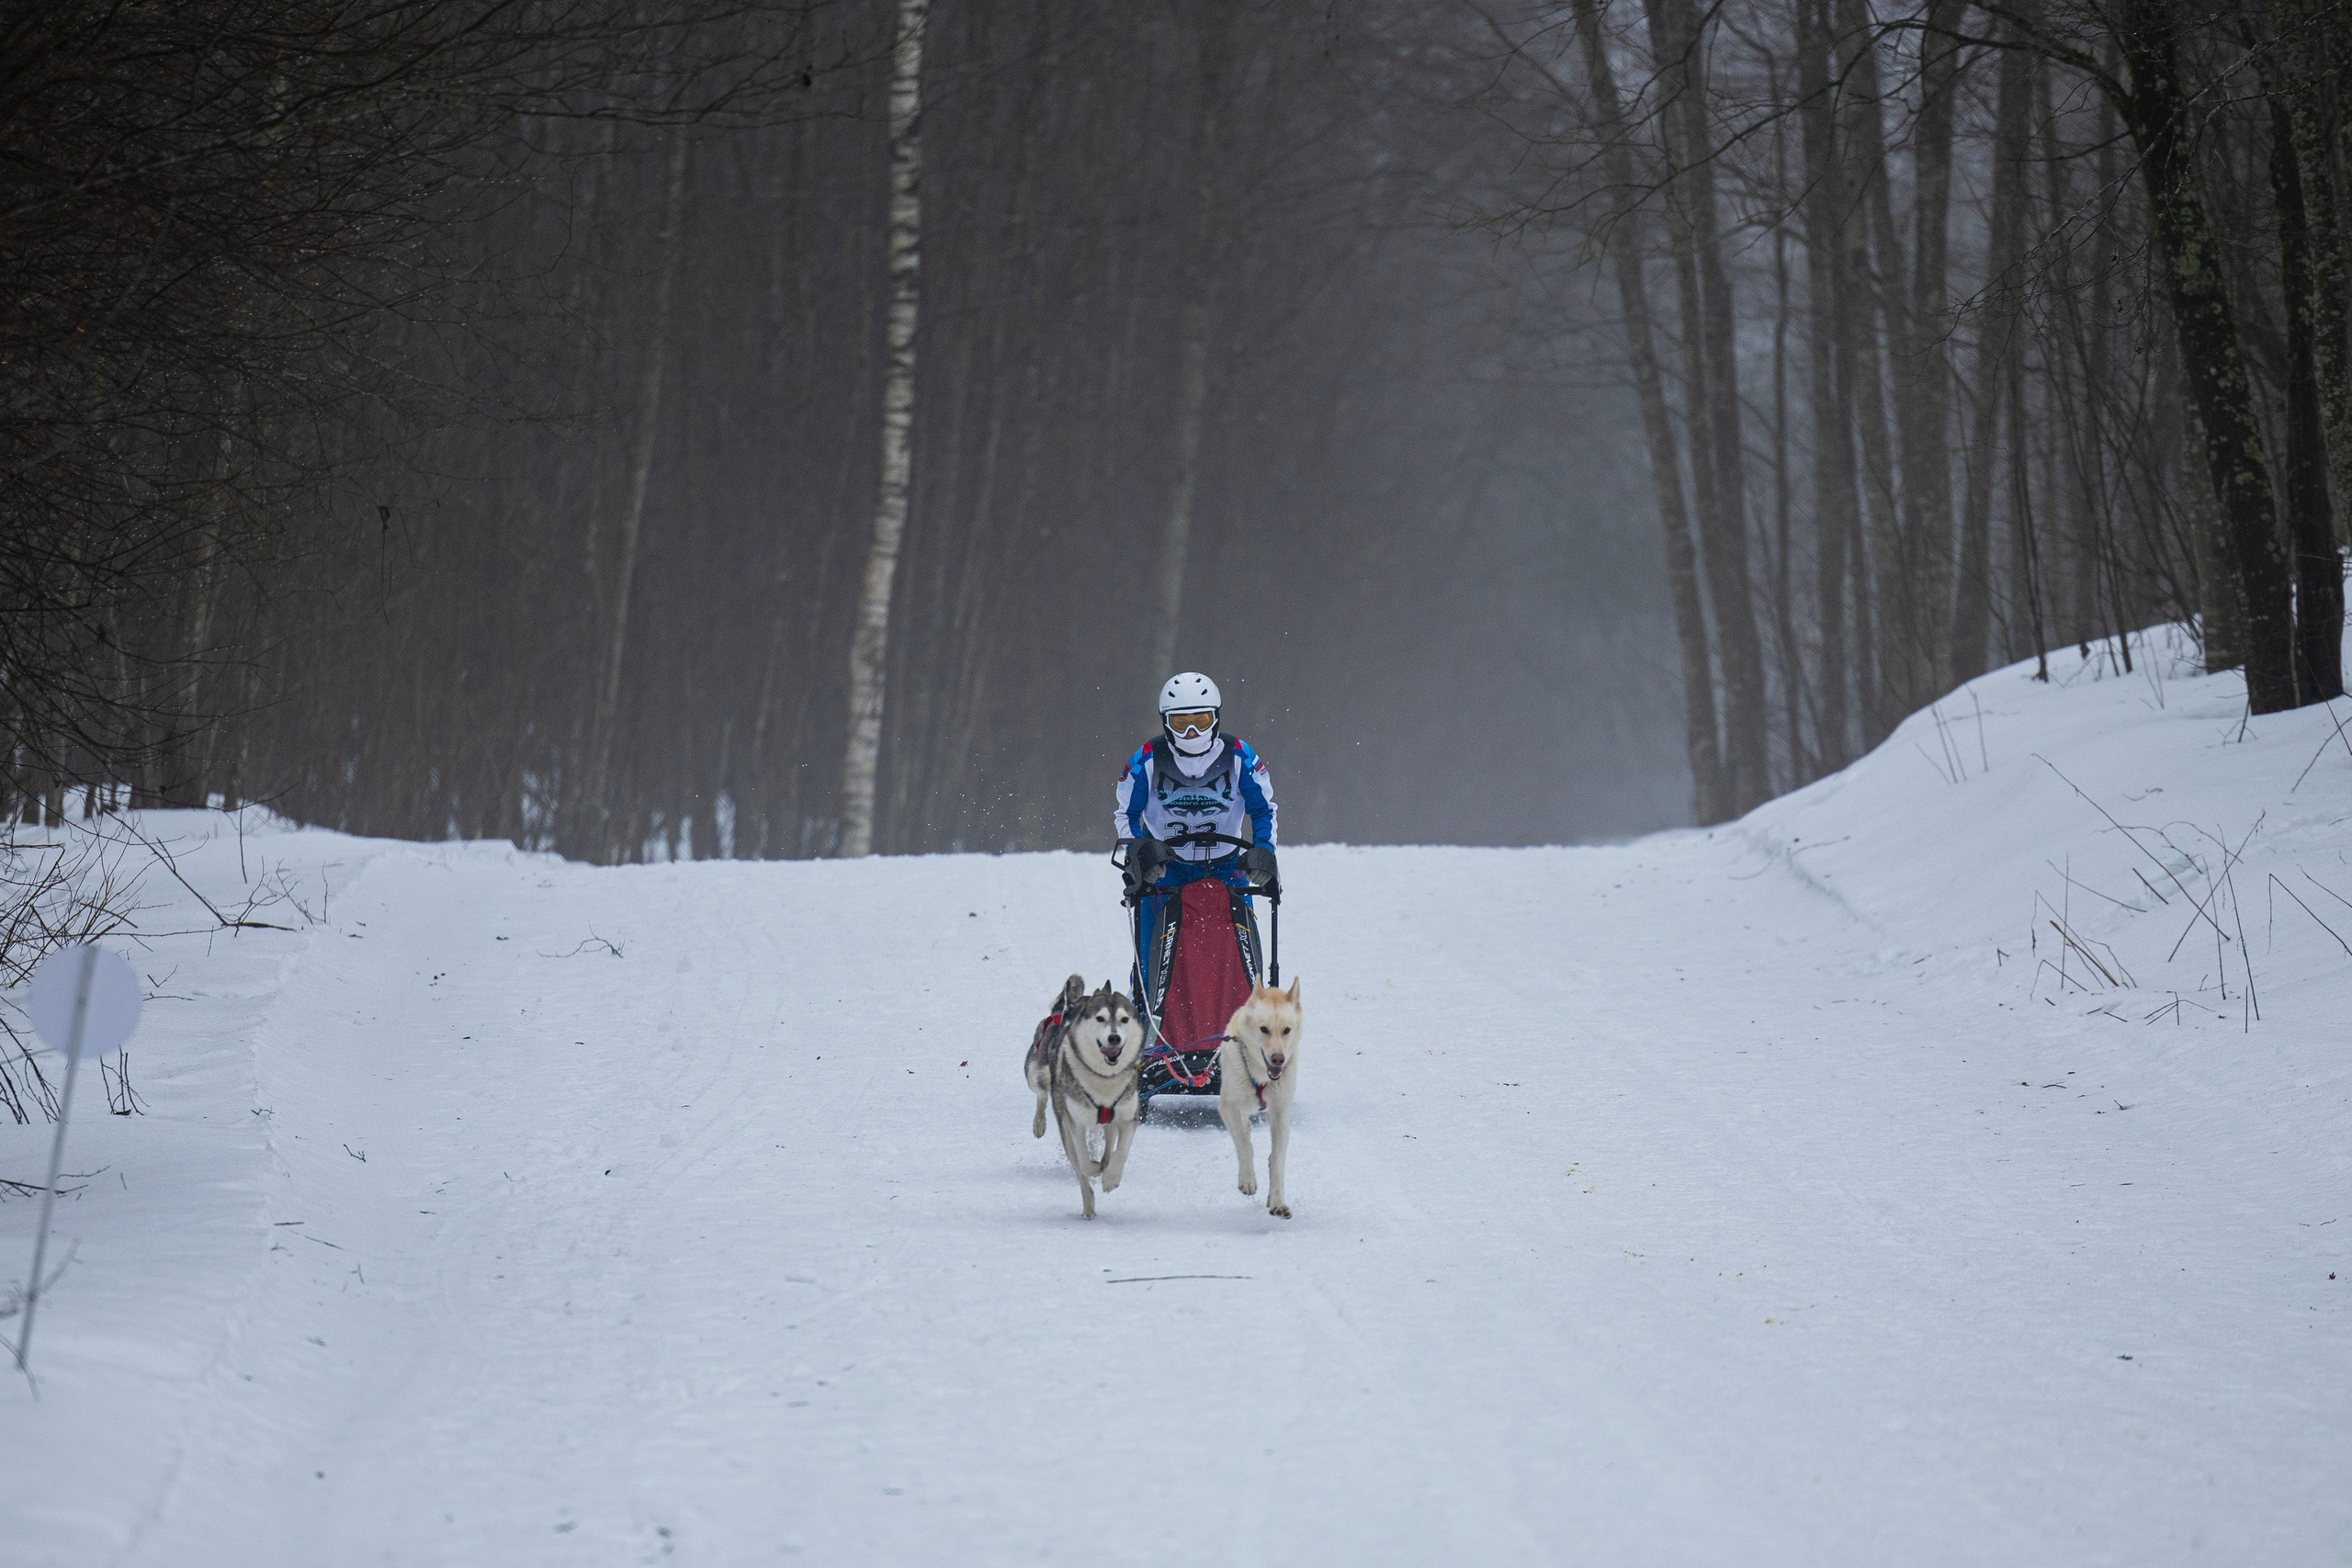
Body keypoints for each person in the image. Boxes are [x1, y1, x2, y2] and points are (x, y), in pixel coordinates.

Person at [1114, 671, 1278, 894]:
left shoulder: (1239, 755)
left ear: (1216, 717)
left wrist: (1264, 850)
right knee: (1154, 929)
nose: (1192, 733)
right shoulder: (1146, 759)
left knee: (1237, 928)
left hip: (1227, 866)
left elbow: (1263, 809)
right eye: (1181, 723)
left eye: (1201, 721)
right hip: (1162, 868)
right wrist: (1138, 853)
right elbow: (1126, 813)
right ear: (1165, 721)